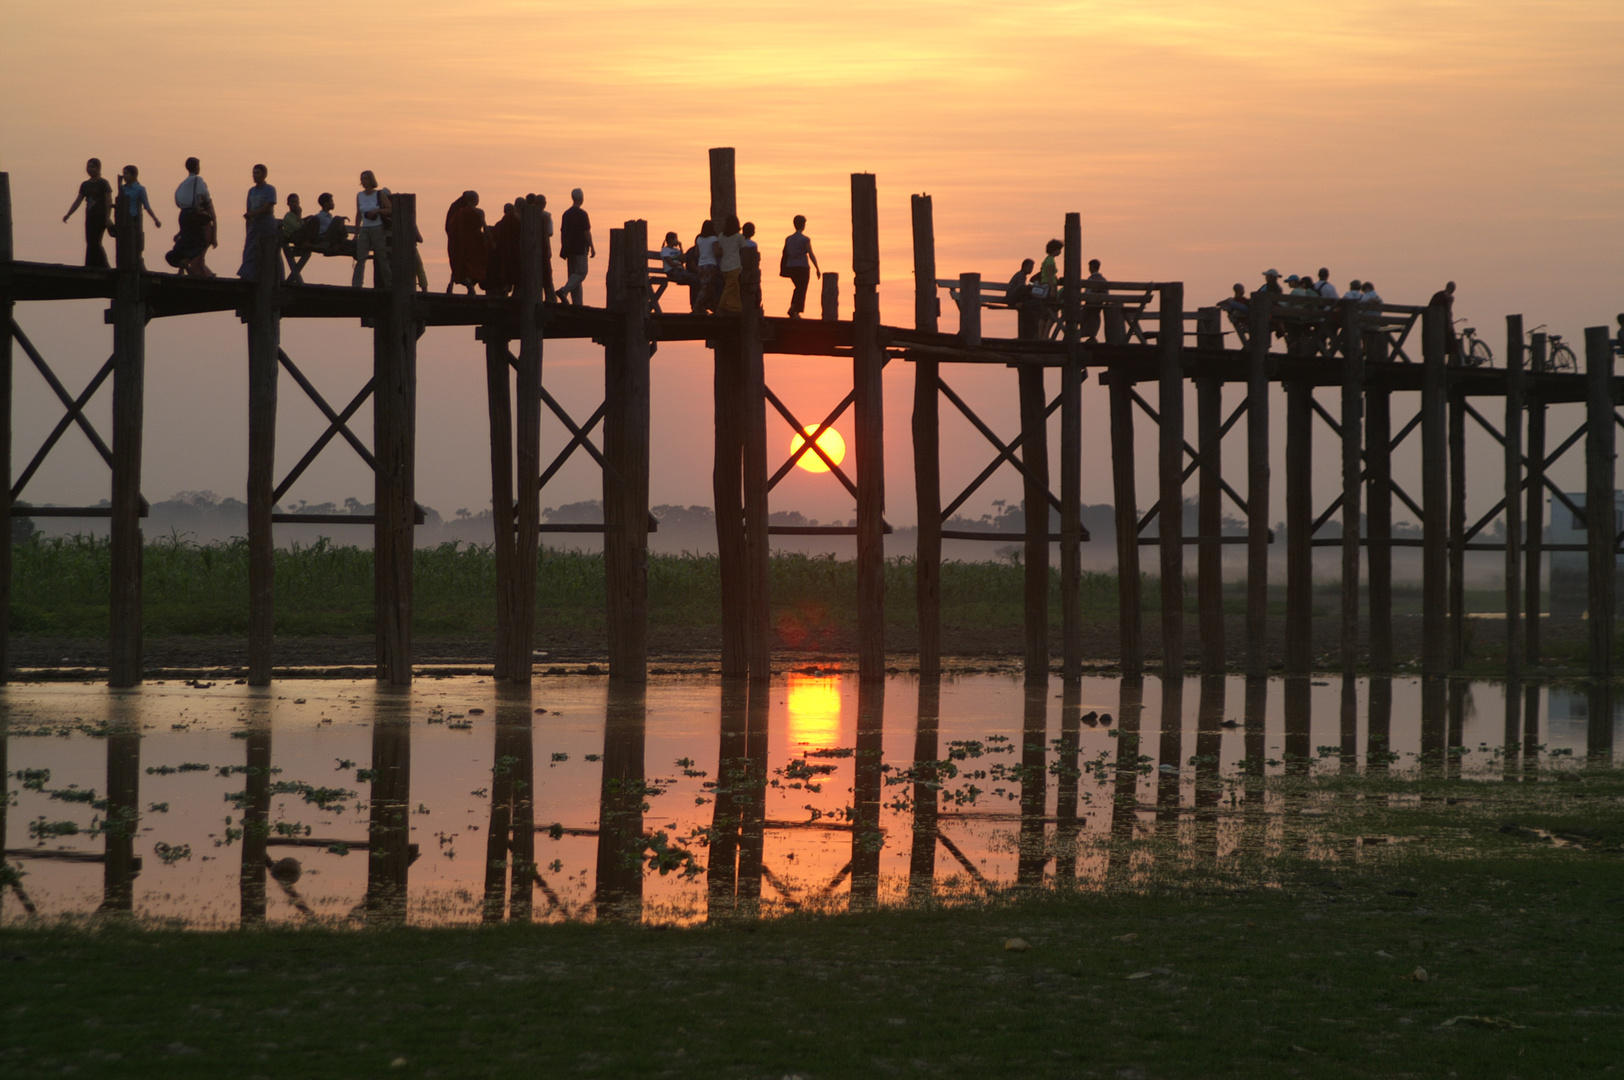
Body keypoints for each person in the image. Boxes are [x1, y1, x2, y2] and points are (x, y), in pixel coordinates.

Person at [166, 157, 216, 277]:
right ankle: (185, 260)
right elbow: (205, 195)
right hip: (193, 215)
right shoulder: (198, 180)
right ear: (196, 167)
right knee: (201, 243)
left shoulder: (183, 183)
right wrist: (207, 202)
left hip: (183, 215)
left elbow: (177, 199)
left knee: (186, 240)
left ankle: (179, 261)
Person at [63, 158, 113, 268]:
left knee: (96, 242)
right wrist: (69, 214)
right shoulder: (85, 185)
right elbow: (78, 200)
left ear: (98, 168)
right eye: (88, 167)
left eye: (92, 167)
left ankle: (104, 266)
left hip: (101, 217)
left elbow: (108, 201)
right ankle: (90, 265)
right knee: (90, 243)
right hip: (90, 217)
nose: (89, 169)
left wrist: (107, 217)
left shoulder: (103, 183)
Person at [238, 164, 279, 280]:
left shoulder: (270, 189)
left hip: (266, 223)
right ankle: (247, 275)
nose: (255, 176)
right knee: (249, 249)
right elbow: (248, 211)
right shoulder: (251, 191)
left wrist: (253, 214)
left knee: (268, 250)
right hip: (255, 224)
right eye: (254, 173)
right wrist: (248, 227)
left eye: (258, 173)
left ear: (264, 174)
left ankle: (271, 277)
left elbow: (267, 207)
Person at [352, 171, 392, 288]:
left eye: (366, 179)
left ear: (371, 180)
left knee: (381, 256)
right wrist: (356, 233)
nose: (363, 181)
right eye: (362, 179)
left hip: (377, 227)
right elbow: (359, 214)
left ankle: (389, 284)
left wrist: (377, 211)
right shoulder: (360, 195)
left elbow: (390, 209)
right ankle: (357, 284)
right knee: (361, 257)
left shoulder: (378, 194)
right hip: (365, 228)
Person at [445, 191, 489, 295]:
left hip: (464, 244)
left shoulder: (458, 213)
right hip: (475, 243)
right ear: (475, 199)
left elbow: (451, 228)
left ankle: (459, 284)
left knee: (461, 263)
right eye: (478, 198)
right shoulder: (478, 212)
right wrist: (490, 241)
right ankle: (469, 285)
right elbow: (485, 228)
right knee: (473, 265)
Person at [558, 188, 594, 305]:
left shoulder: (566, 214)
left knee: (573, 276)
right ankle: (564, 290)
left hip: (569, 249)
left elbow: (563, 232)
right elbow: (586, 232)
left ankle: (577, 303)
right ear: (581, 199)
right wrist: (592, 246)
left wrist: (563, 246)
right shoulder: (582, 214)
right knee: (581, 273)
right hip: (579, 249)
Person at [780, 215, 820, 318]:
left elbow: (785, 253)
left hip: (791, 267)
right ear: (803, 225)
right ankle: (796, 311)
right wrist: (817, 268)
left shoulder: (788, 239)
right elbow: (811, 254)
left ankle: (793, 308)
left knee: (798, 288)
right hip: (802, 267)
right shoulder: (805, 239)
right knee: (802, 289)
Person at [116, 164, 161, 237]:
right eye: (123, 173)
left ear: (134, 175)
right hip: (123, 218)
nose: (124, 176)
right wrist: (119, 186)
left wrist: (155, 219)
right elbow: (120, 201)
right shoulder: (123, 188)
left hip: (134, 218)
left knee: (134, 241)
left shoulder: (140, 189)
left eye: (127, 173)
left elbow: (147, 206)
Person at [715, 215, 745, 313]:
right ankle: (722, 305)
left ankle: (736, 307)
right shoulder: (738, 237)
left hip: (723, 266)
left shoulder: (721, 236)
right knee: (729, 287)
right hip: (735, 265)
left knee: (735, 287)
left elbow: (719, 248)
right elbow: (744, 248)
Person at [695, 219, 720, 312]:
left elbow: (696, 253)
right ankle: (698, 305)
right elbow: (716, 252)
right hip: (710, 264)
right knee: (707, 287)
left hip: (701, 265)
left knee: (708, 286)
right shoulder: (713, 239)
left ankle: (712, 306)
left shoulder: (699, 239)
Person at [1429, 281, 1458, 359]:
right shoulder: (1444, 297)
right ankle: (1449, 361)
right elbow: (1448, 311)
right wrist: (1449, 323)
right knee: (1449, 341)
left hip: (1439, 322)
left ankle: (1449, 361)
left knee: (1450, 341)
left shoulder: (1446, 296)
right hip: (1440, 322)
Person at [1080, 258, 1107, 340]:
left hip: (1090, 304)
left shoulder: (1091, 279)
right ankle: (1093, 335)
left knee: (1082, 316)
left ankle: (1082, 333)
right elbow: (1106, 294)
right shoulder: (1103, 280)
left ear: (1091, 267)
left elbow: (1087, 294)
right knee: (1095, 318)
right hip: (1099, 304)